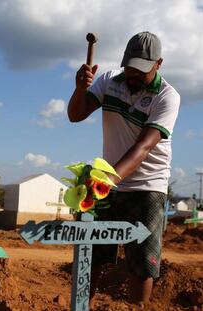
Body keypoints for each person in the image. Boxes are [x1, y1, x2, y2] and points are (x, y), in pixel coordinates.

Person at [67, 31, 180, 307]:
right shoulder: (108, 81)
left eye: (141, 70)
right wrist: (80, 89)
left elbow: (143, 148)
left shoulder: (167, 97)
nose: (133, 75)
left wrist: (105, 179)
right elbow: (76, 115)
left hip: (146, 186)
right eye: (130, 67)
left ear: (158, 64)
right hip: (108, 181)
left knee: (142, 262)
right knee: (91, 252)